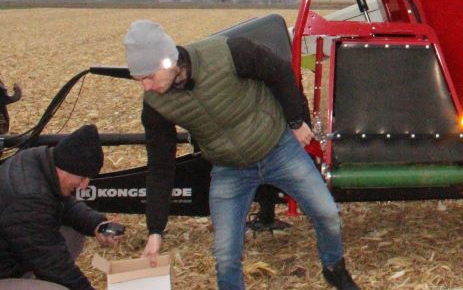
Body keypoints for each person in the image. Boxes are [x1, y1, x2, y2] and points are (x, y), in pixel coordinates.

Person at [123, 19, 359, 290]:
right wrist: (155, 230)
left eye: (148, 77)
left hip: (277, 148)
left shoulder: (227, 53)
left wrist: (296, 120)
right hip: (229, 169)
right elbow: (160, 165)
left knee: (327, 213)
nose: (146, 87)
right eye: (138, 80)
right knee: (225, 256)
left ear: (167, 62)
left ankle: (333, 267)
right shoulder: (155, 105)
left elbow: (279, 71)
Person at [0, 124, 124, 290]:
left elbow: (65, 203)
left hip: (15, 255)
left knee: (75, 231)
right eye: (82, 178)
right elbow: (54, 265)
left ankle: (31, 276)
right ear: (64, 168)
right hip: (5, 273)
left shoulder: (38, 159)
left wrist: (96, 224)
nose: (84, 185)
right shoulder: (28, 200)